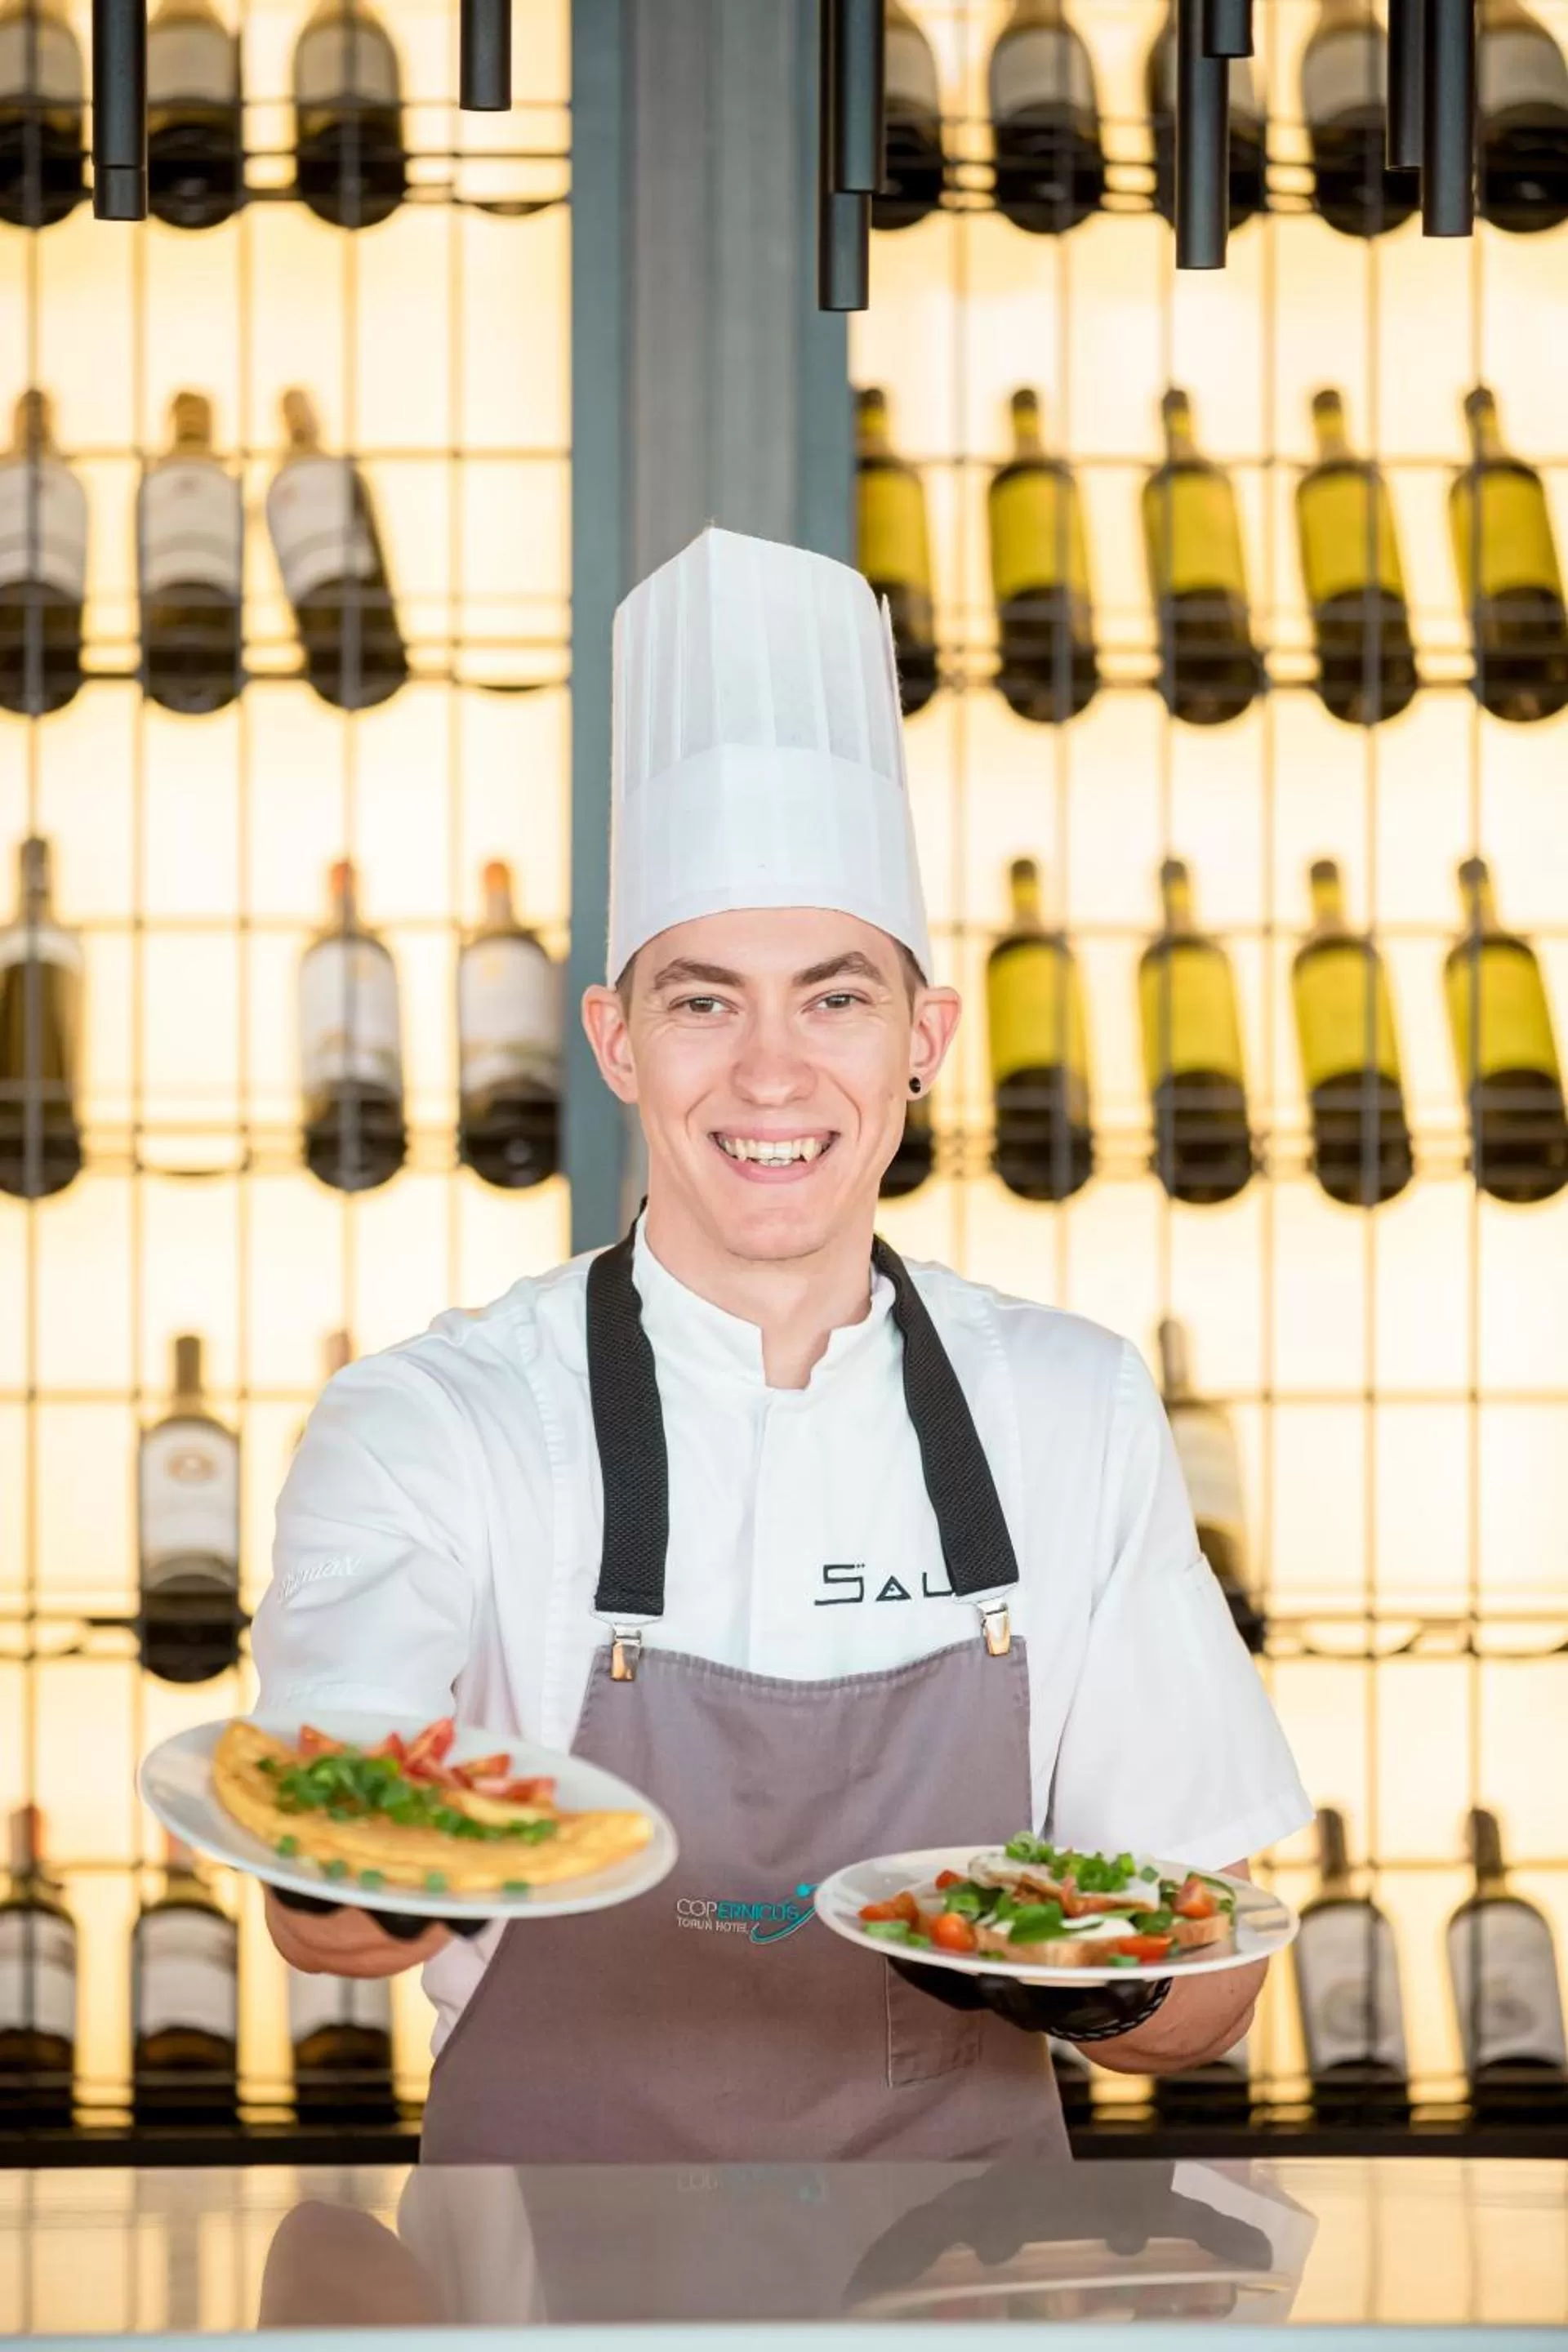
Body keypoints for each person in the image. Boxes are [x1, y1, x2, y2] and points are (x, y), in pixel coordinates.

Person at [256, 524, 1311, 2163]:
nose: (769, 1074)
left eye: (835, 999)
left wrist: (1067, 1970)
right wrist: (382, 1877)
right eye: (702, 1001)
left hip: (967, 2275)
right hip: (539, 2270)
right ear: (614, 1039)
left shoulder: (1070, 1408)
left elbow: (1211, 1993)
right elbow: (318, 1910)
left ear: (925, 1039)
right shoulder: (431, 1422)